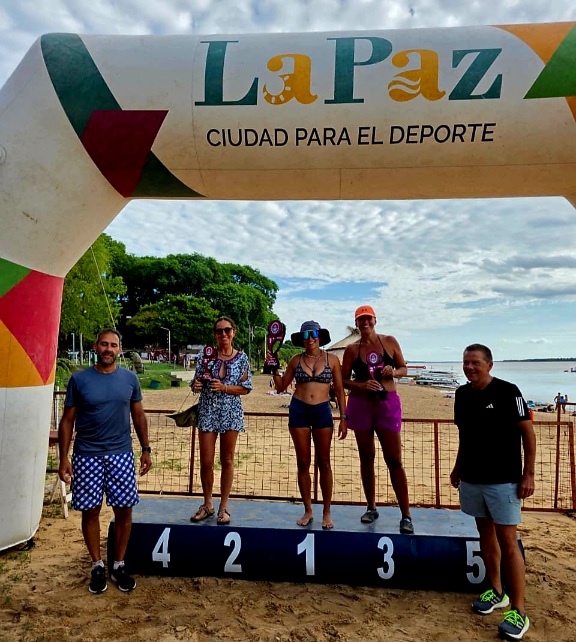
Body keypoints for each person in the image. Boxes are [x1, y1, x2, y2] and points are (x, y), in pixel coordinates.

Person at [450, 344, 536, 641]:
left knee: (508, 541)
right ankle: (497, 591)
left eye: (475, 362)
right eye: (466, 362)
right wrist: (458, 468)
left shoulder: (508, 391)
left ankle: (519, 610)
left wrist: (528, 474)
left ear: (489, 365)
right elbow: (465, 435)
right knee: (484, 534)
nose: (469, 367)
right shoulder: (462, 394)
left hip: (504, 480)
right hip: (473, 478)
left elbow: (528, 434)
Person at [58, 328, 152, 595]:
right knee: (90, 511)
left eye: (113, 345)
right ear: (95, 346)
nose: (108, 349)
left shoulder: (130, 379)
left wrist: (146, 449)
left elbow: (138, 415)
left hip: (121, 454)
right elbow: (67, 420)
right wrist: (64, 458)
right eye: (104, 344)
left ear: (119, 349)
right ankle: (97, 565)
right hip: (86, 455)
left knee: (124, 510)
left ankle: (118, 564)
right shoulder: (79, 380)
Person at [341, 305, 413, 534]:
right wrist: (361, 385)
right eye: (361, 320)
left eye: (368, 319)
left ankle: (406, 515)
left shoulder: (389, 341)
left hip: (387, 403)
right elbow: (343, 380)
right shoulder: (352, 349)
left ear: (375, 320)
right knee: (366, 457)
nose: (365, 323)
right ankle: (371, 507)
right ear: (356, 323)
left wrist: (394, 372)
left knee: (394, 460)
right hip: (361, 404)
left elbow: (404, 368)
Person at [272, 320, 347, 529]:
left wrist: (344, 418)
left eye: (313, 334)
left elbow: (339, 390)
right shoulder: (295, 360)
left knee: (324, 462)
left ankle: (327, 511)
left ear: (320, 336)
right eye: (306, 335)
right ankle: (307, 510)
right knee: (303, 462)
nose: (310, 338)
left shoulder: (332, 360)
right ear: (302, 339)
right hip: (299, 410)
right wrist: (273, 369)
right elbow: (281, 387)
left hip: (322, 411)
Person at [190, 317, 252, 525]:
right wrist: (196, 386)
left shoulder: (242, 358)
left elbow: (246, 388)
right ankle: (207, 504)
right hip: (208, 411)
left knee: (227, 460)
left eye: (227, 330)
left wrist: (224, 388)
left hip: (231, 413)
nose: (223, 334)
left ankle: (224, 507)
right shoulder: (205, 356)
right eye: (219, 331)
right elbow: (196, 381)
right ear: (214, 335)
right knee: (206, 461)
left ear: (234, 332)